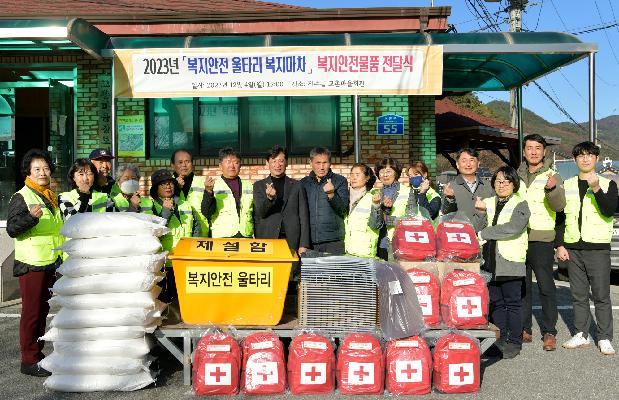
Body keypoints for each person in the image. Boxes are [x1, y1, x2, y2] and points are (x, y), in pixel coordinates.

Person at [556, 142, 618, 355]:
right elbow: (561, 217)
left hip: (597, 248)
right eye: (581, 156)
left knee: (601, 295)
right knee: (578, 294)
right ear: (575, 160)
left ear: (597, 159)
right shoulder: (568, 183)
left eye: (590, 155)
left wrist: (596, 188)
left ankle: (604, 337)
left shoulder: (608, 184)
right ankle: (581, 334)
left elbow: (610, 210)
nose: (585, 159)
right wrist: (560, 244)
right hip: (573, 247)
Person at [6, 149, 63, 377]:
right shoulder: (22, 196)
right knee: (31, 313)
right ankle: (28, 359)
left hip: (49, 261)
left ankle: (38, 356)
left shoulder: (49, 195)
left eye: (46, 168)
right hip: (31, 263)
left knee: (42, 310)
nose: (42, 172)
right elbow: (11, 228)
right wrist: (31, 217)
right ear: (28, 173)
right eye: (37, 169)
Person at [517, 134, 565, 350]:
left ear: (544, 151)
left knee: (546, 286)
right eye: (529, 148)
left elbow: (559, 206)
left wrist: (552, 189)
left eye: (538, 148)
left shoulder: (553, 175)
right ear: (524, 151)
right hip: (517, 238)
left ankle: (549, 331)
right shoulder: (515, 175)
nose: (534, 151)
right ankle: (525, 328)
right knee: (522, 286)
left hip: (542, 238)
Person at [477, 166, 530, 359]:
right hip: (489, 261)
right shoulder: (487, 202)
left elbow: (513, 228)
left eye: (507, 181)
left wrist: (486, 232)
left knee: (513, 304)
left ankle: (514, 342)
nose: (502, 185)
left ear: (514, 184)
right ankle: (499, 341)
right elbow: (477, 226)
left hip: (510, 261)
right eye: (498, 181)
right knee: (496, 303)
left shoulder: (521, 203)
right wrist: (481, 214)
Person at [150, 169, 200, 303]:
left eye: (170, 183)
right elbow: (155, 230)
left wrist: (194, 249)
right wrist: (166, 211)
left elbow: (196, 226)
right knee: (166, 299)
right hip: (165, 261)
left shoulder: (184, 204)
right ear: (156, 189)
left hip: (185, 259)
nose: (168, 186)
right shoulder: (151, 206)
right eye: (163, 184)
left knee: (185, 298)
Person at [253, 145, 310, 254]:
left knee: (291, 270)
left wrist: (304, 244)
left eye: (281, 161)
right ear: (267, 163)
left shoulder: (297, 185)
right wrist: (269, 199)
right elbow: (261, 212)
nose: (277, 165)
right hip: (268, 238)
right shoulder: (258, 186)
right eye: (274, 161)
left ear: (286, 163)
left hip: (292, 239)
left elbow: (304, 216)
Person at [300, 147, 349, 254]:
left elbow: (343, 210)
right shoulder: (303, 183)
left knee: (333, 271)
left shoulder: (340, 181)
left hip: (334, 241)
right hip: (310, 242)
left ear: (330, 163)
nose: (321, 167)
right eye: (318, 163)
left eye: (325, 163)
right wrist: (302, 243)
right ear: (310, 163)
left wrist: (332, 194)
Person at [201, 147, 253, 238]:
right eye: (228, 162)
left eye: (236, 162)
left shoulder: (249, 185)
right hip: (222, 236)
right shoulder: (213, 185)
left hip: (245, 235)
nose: (232, 166)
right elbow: (206, 212)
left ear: (240, 165)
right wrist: (208, 192)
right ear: (220, 166)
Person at [441, 148, 494, 232]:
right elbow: (446, 213)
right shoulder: (451, 187)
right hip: (461, 236)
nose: (468, 164)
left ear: (478, 164)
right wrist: (450, 199)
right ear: (457, 165)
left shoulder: (489, 186)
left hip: (485, 237)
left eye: (472, 160)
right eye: (464, 161)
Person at [374, 157, 414, 260]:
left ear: (396, 172)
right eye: (382, 171)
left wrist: (388, 220)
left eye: (388, 171)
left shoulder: (408, 192)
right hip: (378, 244)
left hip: (399, 244)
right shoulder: (374, 193)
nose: (385, 175)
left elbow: (412, 220)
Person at [344, 163, 382, 257]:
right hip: (346, 251)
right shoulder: (344, 196)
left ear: (367, 178)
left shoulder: (373, 197)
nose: (353, 178)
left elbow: (376, 225)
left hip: (365, 253)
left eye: (357, 175)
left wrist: (376, 205)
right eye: (352, 174)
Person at [170, 149, 209, 236]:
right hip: (174, 237)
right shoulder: (166, 185)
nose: (184, 165)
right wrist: (176, 188)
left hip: (201, 235)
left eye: (187, 161)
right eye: (180, 162)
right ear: (172, 165)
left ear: (192, 164)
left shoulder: (203, 183)